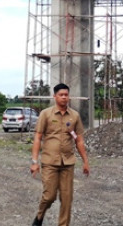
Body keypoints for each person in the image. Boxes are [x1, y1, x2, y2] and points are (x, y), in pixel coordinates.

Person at [30, 83, 90, 226]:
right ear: (55, 96)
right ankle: (39, 217)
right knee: (49, 196)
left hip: (68, 163)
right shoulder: (46, 114)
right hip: (49, 162)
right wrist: (34, 162)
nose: (64, 97)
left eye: (66, 95)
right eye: (61, 95)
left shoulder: (74, 116)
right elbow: (38, 138)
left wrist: (86, 162)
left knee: (67, 198)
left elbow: (79, 140)